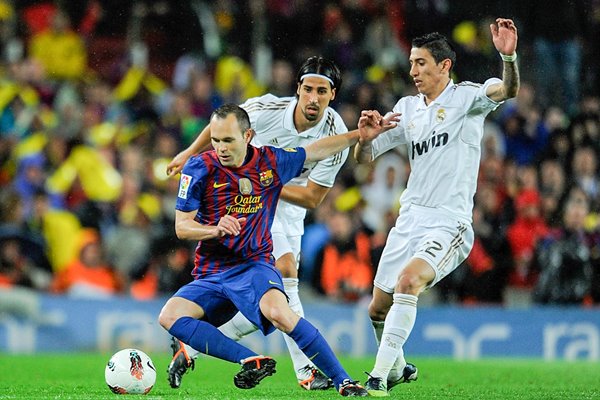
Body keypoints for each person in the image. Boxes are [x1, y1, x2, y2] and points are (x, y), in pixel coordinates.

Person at [157, 104, 396, 396]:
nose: (220, 148)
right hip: (212, 272)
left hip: (254, 265)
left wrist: (359, 134)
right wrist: (214, 229)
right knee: (169, 316)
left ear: (248, 136)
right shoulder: (199, 168)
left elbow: (316, 150)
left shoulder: (270, 161)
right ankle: (248, 359)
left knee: (279, 313)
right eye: (216, 140)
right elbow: (182, 227)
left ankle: (344, 381)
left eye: (228, 140)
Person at [353, 18, 520, 396]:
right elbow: (366, 158)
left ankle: (377, 380)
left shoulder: (468, 98)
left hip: (449, 222)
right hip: (410, 219)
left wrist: (508, 57)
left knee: (408, 282)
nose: (412, 71)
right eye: (411, 63)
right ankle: (397, 369)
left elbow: (508, 89)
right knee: (376, 310)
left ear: (444, 65)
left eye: (421, 63)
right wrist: (365, 139)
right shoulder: (408, 108)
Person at [165, 56, 350, 390]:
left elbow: (311, 198)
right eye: (308, 88)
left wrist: (269, 185)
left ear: (332, 95)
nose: (313, 97)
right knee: (287, 271)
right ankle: (306, 372)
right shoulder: (267, 109)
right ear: (298, 89)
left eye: (321, 91)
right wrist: (188, 152)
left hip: (281, 200)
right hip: (243, 199)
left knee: (270, 301)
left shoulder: (335, 135)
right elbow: (221, 124)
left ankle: (191, 348)